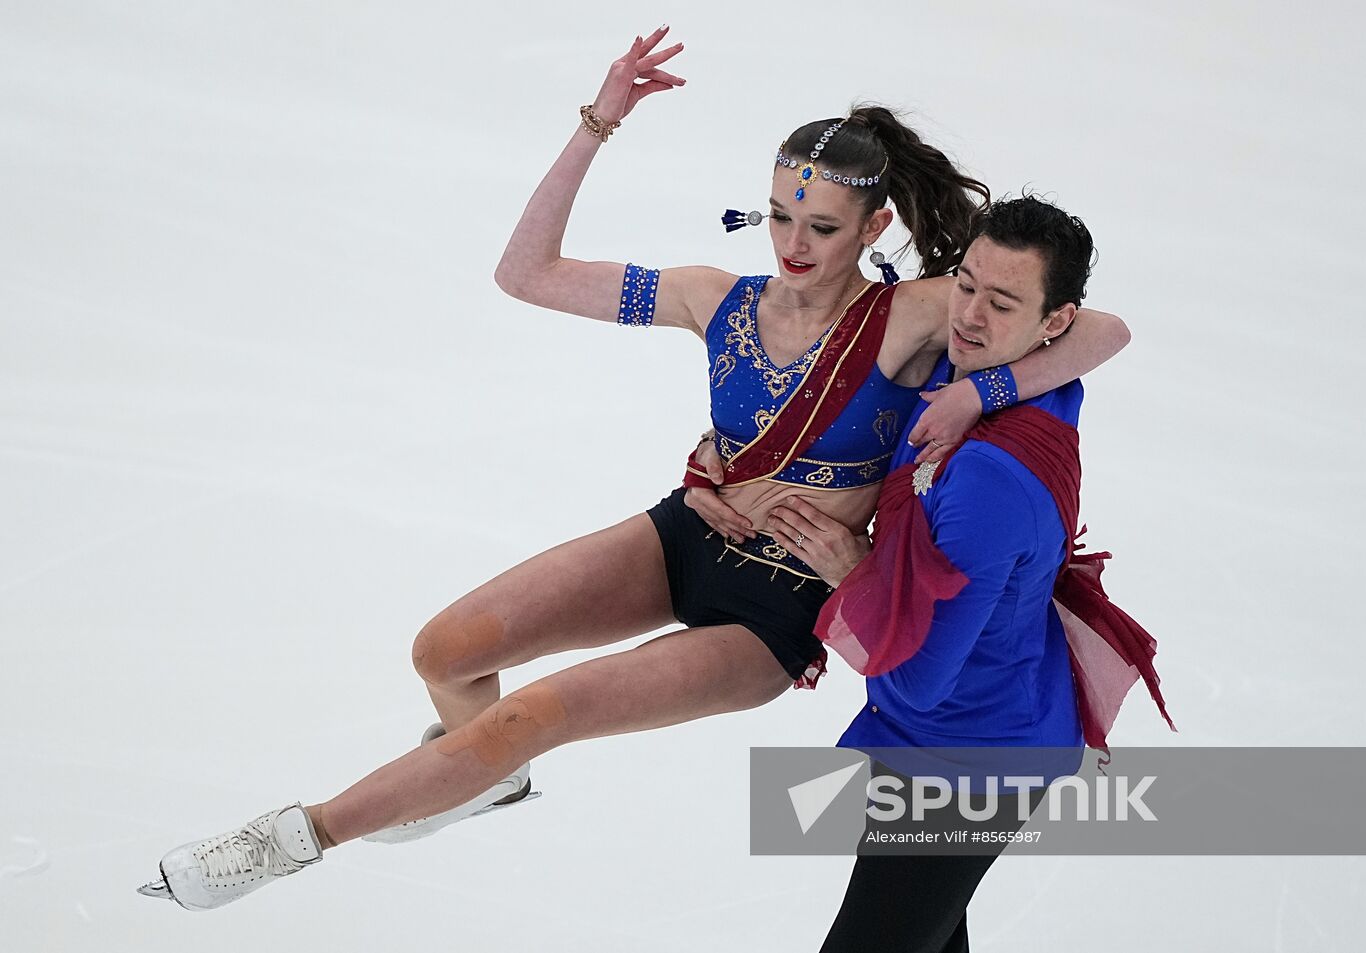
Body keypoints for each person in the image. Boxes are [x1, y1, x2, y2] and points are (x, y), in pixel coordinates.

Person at [136, 28, 1133, 913]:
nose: (792, 244)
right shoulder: (716, 298)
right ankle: (480, 776)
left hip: (775, 610)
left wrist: (979, 393)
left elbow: (1100, 327)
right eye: (780, 217)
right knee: (446, 651)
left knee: (532, 713)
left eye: (822, 227)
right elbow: (523, 274)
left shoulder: (912, 314)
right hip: (685, 535)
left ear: (871, 229)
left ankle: (294, 836)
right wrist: (595, 124)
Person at [718, 194, 1173, 952]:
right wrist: (977, 387)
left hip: (965, 765)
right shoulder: (1027, 376)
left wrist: (855, 574)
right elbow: (1101, 333)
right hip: (986, 721)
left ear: (1051, 322)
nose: (967, 316)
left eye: (1002, 303)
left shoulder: (987, 481)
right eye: (965, 285)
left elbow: (918, 683)